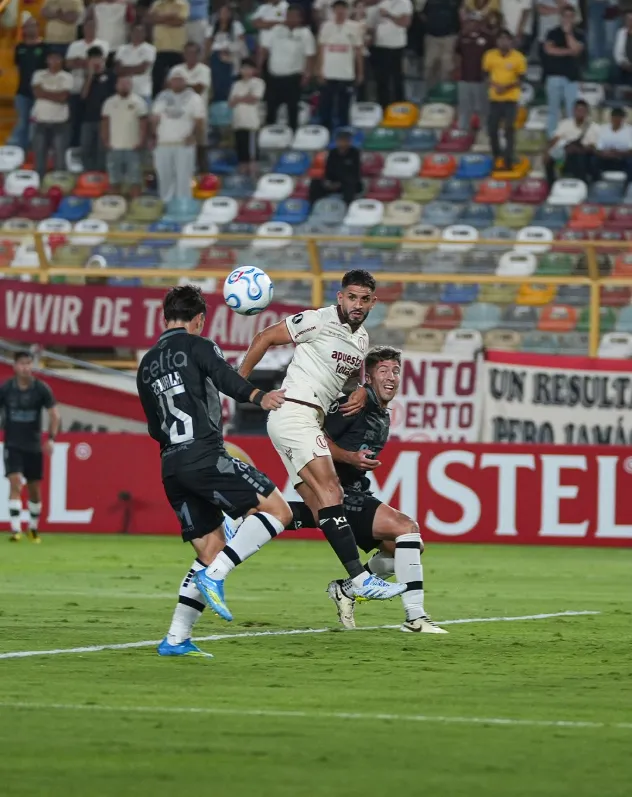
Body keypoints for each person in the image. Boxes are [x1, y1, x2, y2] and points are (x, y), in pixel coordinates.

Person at [237, 270, 408, 604]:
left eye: (364, 299)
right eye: (351, 297)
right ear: (340, 297)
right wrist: (239, 385)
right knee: (332, 490)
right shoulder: (316, 320)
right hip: (294, 412)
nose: (357, 305)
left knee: (320, 508)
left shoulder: (361, 340)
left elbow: (335, 377)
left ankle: (244, 518)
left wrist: (360, 388)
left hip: (309, 419)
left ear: (373, 302)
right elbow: (264, 337)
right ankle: (358, 579)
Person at [136, 285, 290, 655]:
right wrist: (259, 396)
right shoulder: (199, 345)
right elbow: (225, 378)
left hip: (171, 465)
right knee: (277, 510)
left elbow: (154, 426)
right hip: (205, 455)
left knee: (210, 547)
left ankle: (176, 638)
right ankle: (216, 575)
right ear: (199, 319)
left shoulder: (146, 364)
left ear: (165, 317)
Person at [284, 347, 446, 634]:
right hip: (338, 491)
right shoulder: (355, 404)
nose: (391, 377)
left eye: (395, 371)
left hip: (356, 491)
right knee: (407, 528)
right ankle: (415, 617)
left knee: (407, 549)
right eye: (383, 370)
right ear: (368, 377)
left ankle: (347, 590)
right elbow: (314, 438)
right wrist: (349, 458)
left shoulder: (380, 411)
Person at [0, 351, 60, 543]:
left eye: (28, 364)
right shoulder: (6, 389)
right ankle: (16, 529)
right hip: (13, 444)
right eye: (22, 364)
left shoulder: (41, 389)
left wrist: (50, 438)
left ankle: (32, 528)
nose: (26, 368)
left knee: (34, 489)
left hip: (33, 445)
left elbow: (54, 415)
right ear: (15, 366)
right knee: (15, 481)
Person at [151, 64, 205, 201]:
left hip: (183, 144)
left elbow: (199, 120)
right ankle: (166, 203)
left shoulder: (194, 98)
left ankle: (183, 205)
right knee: (164, 176)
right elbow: (155, 117)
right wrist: (152, 135)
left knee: (184, 177)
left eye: (180, 79)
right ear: (169, 81)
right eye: (174, 79)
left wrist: (194, 136)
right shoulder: (162, 96)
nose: (177, 82)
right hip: (163, 143)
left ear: (186, 81)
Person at [263, 5, 316, 130]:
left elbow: (310, 56)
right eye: (288, 15)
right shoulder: (276, 30)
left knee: (292, 108)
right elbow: (265, 49)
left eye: (294, 16)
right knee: (271, 107)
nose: (290, 18)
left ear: (300, 18)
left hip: (294, 76)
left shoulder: (305, 33)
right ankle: (269, 135)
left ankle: (292, 134)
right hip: (274, 75)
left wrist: (307, 73)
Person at [483, 28, 527, 170]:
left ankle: (508, 160)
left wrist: (506, 87)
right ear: (497, 41)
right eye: (500, 39)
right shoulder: (489, 55)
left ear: (511, 41)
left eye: (506, 39)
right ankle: (497, 156)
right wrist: (495, 85)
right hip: (494, 98)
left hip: (510, 99)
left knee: (509, 129)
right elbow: (485, 75)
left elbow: (521, 79)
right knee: (492, 129)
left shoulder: (518, 57)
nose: (503, 42)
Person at [317, 0, 364, 131]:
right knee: (326, 105)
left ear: (347, 10)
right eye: (337, 8)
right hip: (328, 72)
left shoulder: (354, 27)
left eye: (343, 8)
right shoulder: (326, 26)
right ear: (333, 10)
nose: (340, 11)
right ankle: (325, 131)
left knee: (344, 106)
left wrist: (360, 72)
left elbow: (358, 52)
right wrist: (319, 70)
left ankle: (343, 132)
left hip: (346, 73)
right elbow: (321, 49)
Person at [65, 19, 110, 146]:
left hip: (95, 89)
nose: (89, 29)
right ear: (83, 29)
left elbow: (101, 63)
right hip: (76, 88)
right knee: (74, 121)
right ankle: (74, 148)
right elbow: (68, 63)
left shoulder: (103, 44)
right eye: (87, 27)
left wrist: (79, 61)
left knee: (92, 122)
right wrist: (87, 63)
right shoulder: (75, 45)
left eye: (92, 27)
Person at [101, 76, 148, 194]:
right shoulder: (109, 102)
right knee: (114, 180)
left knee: (135, 180)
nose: (124, 86)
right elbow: (105, 123)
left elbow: (143, 124)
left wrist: (141, 141)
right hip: (114, 147)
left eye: (127, 83)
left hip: (133, 147)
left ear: (131, 86)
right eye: (121, 83)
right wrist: (105, 140)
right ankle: (115, 205)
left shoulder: (139, 102)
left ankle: (135, 206)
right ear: (116, 86)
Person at [544, 4, 585, 137]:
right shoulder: (552, 33)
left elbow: (577, 50)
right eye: (565, 16)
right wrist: (568, 51)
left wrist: (568, 33)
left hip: (571, 78)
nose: (568, 19)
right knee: (553, 111)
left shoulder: (579, 34)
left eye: (570, 17)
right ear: (560, 17)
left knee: (571, 110)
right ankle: (552, 138)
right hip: (554, 76)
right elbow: (550, 50)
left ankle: (571, 137)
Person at [31, 50, 73, 178]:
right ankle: (38, 183)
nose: (54, 61)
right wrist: (54, 94)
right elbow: (37, 93)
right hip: (40, 120)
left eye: (57, 59)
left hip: (60, 122)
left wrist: (45, 93)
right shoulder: (38, 74)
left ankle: (59, 183)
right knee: (39, 156)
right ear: (47, 60)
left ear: (62, 61)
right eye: (51, 58)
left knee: (59, 156)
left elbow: (63, 97)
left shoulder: (67, 76)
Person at [10, 17, 48, 151]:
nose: (31, 29)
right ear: (24, 29)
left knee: (37, 125)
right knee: (22, 122)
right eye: (27, 26)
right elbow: (17, 66)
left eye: (33, 26)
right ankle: (17, 151)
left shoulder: (44, 48)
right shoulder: (19, 47)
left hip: (40, 93)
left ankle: (35, 151)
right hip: (22, 92)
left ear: (38, 28)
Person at [544, 98, 599, 184]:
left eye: (582, 110)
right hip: (565, 154)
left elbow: (593, 146)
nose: (580, 113)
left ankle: (582, 183)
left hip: (583, 154)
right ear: (574, 111)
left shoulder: (593, 127)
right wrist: (547, 152)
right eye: (578, 110)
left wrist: (578, 149)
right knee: (550, 160)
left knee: (581, 158)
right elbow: (555, 139)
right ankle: (551, 185)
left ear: (587, 112)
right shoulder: (565, 123)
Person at [370, 0, 412, 109]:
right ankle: (383, 106)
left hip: (396, 46)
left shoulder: (404, 2)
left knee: (396, 77)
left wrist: (388, 15)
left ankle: (399, 104)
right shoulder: (382, 2)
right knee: (381, 78)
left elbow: (405, 22)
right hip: (379, 45)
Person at [228, 58, 265, 178]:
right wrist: (243, 98)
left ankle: (253, 178)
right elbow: (231, 103)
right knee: (241, 155)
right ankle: (242, 179)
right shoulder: (236, 84)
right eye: (244, 68)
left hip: (251, 124)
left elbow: (254, 99)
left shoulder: (258, 83)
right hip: (238, 123)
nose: (246, 71)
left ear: (254, 70)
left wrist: (239, 98)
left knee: (252, 156)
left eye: (249, 68)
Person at [80, 46, 115, 172]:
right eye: (92, 59)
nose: (95, 61)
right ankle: (87, 175)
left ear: (103, 59)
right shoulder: (87, 76)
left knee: (102, 151)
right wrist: (90, 77)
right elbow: (83, 96)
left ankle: (101, 177)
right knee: (86, 149)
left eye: (97, 58)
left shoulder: (111, 75)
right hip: (88, 118)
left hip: (104, 120)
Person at [455, 18, 494, 130]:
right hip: (465, 78)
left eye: (474, 22)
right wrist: (457, 69)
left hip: (481, 79)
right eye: (469, 22)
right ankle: (463, 129)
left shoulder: (488, 37)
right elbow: (457, 53)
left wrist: (489, 75)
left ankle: (485, 130)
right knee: (464, 107)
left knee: (483, 108)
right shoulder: (462, 37)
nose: (471, 24)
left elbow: (493, 55)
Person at [147, 0, 189, 97]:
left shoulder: (182, 4)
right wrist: (170, 17)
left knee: (178, 81)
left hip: (177, 49)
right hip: (159, 49)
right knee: (157, 82)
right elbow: (151, 19)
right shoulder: (157, 4)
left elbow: (179, 21)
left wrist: (160, 19)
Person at [205, 4, 246, 102]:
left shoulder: (236, 26)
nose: (223, 15)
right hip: (216, 56)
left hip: (231, 55)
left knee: (229, 82)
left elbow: (241, 43)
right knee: (217, 82)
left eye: (226, 12)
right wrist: (206, 57)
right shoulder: (212, 26)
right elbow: (208, 43)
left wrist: (229, 49)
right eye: (221, 13)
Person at [308, 128, 361, 205]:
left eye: (345, 140)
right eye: (340, 140)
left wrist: (340, 183)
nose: (342, 143)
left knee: (350, 183)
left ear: (349, 142)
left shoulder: (354, 153)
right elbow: (328, 170)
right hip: (333, 182)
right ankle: (314, 206)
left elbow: (355, 173)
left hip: (348, 183)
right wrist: (328, 182)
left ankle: (346, 207)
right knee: (315, 182)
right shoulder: (332, 153)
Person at [420, 0, 461, 92]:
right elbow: (423, 15)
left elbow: (461, 15)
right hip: (432, 37)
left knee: (446, 67)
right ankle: (430, 92)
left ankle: (445, 93)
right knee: (429, 65)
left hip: (449, 37)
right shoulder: (430, 2)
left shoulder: (455, 2)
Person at [115, 23, 157, 107]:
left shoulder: (150, 49)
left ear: (145, 34)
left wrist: (125, 69)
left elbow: (142, 69)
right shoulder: (121, 49)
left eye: (140, 32)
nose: (137, 34)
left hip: (143, 91)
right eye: (135, 32)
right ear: (131, 33)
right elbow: (118, 69)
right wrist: (134, 68)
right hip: (125, 92)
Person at [251, 0, 289, 77]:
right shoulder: (263, 7)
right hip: (263, 45)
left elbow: (284, 23)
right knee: (259, 71)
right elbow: (254, 23)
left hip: (278, 45)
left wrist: (264, 23)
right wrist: (273, 23)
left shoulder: (285, 6)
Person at [594, 107, 632, 181]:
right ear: (611, 118)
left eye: (619, 117)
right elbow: (598, 148)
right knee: (594, 160)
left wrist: (618, 153)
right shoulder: (603, 129)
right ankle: (596, 183)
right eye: (615, 117)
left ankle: (628, 186)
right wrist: (605, 154)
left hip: (623, 158)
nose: (617, 119)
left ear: (623, 118)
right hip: (606, 157)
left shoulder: (629, 130)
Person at [614, 12, 632, 86]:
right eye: (629, 19)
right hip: (625, 68)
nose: (630, 22)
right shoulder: (621, 33)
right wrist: (624, 64)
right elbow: (617, 52)